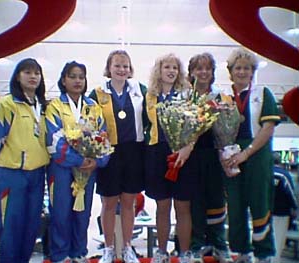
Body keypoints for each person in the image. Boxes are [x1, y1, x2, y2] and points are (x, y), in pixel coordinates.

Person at [0, 58, 50, 263]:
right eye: (27, 72)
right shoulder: (4, 105)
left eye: (36, 73)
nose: (33, 77)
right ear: (17, 76)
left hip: (38, 174)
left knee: (31, 228)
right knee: (12, 227)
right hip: (12, 174)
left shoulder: (43, 107)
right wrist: (10, 162)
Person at [44, 61, 109, 263]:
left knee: (83, 213)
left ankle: (79, 253)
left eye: (81, 76)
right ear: (63, 80)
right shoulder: (55, 106)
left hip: (88, 170)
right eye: (72, 76)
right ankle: (60, 255)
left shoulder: (93, 107)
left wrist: (98, 161)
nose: (77, 80)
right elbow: (53, 140)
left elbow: (104, 137)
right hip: (61, 169)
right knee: (61, 213)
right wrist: (79, 160)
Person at [223, 48, 281, 263]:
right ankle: (240, 252)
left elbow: (268, 128)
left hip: (256, 155)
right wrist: (225, 154)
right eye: (237, 68)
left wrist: (246, 153)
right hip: (231, 157)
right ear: (230, 71)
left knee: (260, 204)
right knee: (235, 206)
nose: (241, 72)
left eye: (246, 68)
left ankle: (263, 252)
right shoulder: (224, 98)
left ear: (252, 71)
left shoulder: (263, 93)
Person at [89, 50, 146, 263]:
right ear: (109, 68)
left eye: (126, 66)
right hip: (109, 153)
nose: (122, 69)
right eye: (117, 65)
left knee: (129, 202)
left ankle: (128, 247)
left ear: (130, 69)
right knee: (109, 203)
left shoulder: (140, 90)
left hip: (133, 151)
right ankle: (109, 248)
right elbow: (89, 124)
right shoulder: (97, 93)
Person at [144, 53, 196, 263]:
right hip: (157, 154)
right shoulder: (149, 95)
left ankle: (184, 253)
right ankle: (162, 252)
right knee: (162, 205)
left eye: (175, 67)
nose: (171, 71)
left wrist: (188, 148)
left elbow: (196, 125)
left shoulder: (187, 94)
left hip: (182, 154)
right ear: (159, 70)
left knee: (182, 206)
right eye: (167, 67)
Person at [185, 52, 232, 263]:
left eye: (207, 68)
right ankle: (197, 245)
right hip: (191, 157)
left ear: (212, 73)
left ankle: (219, 244)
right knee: (195, 202)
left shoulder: (221, 97)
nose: (203, 72)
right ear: (191, 72)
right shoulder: (185, 98)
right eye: (198, 68)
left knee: (216, 201)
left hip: (215, 156)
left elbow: (230, 127)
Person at [272, 153, 298, 263]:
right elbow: (290, 194)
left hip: (265, 212)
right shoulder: (284, 175)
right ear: (280, 162)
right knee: (278, 241)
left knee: (265, 239)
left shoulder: (264, 173)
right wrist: (295, 207)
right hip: (281, 213)